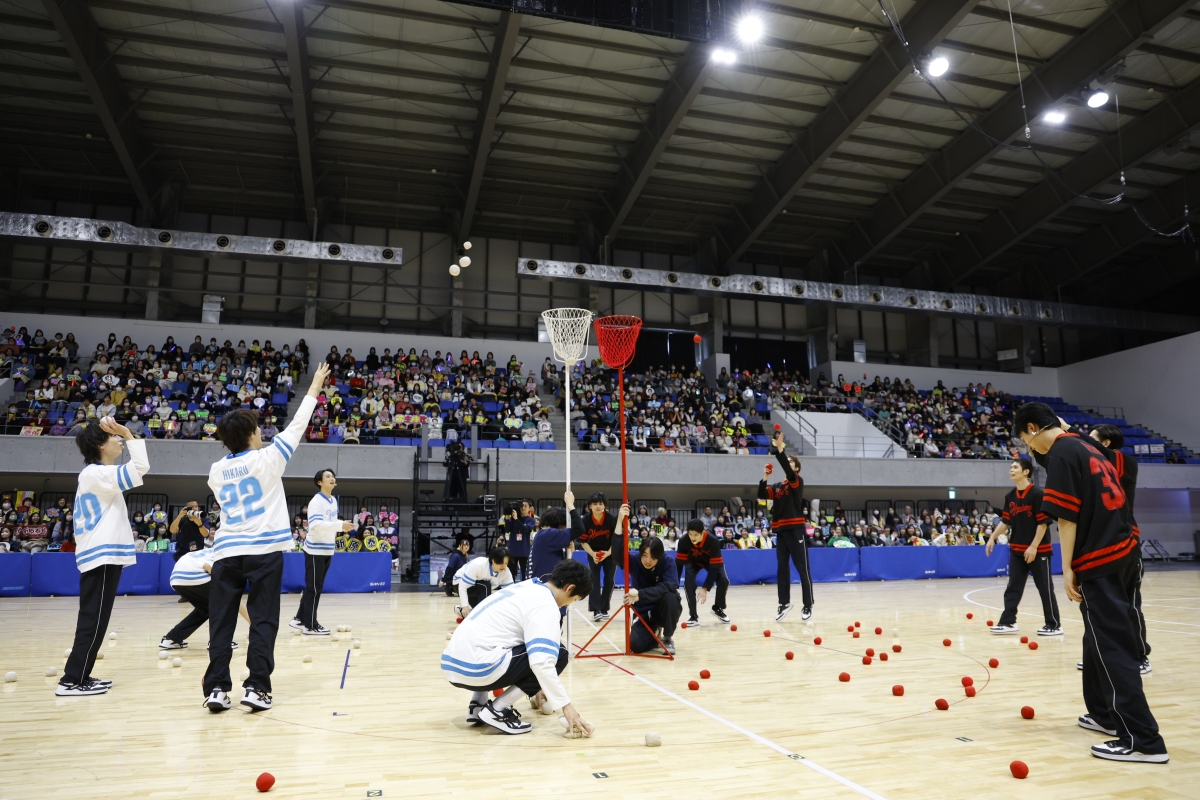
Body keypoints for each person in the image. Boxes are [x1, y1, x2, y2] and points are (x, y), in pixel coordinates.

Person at [1015, 402, 1167, 763]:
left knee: (1112, 646)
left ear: (1033, 428)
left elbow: (1066, 519)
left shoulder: (1063, 452)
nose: (1029, 449)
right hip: (1125, 550)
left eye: (1026, 440)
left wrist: (1068, 568)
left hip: (1100, 559)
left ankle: (1143, 740)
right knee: (1101, 641)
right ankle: (1107, 716)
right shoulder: (1086, 446)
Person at [201, 362, 330, 714]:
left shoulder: (215, 470)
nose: (262, 432)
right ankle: (257, 687)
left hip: (226, 552)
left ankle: (216, 689)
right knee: (263, 619)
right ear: (250, 434)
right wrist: (315, 387)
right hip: (264, 551)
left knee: (221, 622)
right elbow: (298, 424)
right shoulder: (269, 459)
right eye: (258, 428)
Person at [440, 558, 593, 736]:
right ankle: (498, 710)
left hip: (452, 665)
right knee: (559, 653)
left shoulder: (526, 586)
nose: (569, 604)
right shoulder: (546, 605)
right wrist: (567, 707)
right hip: (477, 668)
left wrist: (539, 685)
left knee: (501, 640)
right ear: (570, 589)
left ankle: (478, 704)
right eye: (573, 599)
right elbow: (541, 663)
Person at [57, 417, 151, 696]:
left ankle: (81, 676)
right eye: (113, 436)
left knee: (97, 619)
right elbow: (140, 467)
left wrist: (124, 434)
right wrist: (128, 433)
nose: (119, 439)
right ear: (100, 444)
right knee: (93, 619)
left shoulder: (98, 474)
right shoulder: (96, 473)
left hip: (102, 554)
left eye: (119, 436)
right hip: (101, 555)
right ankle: (71, 681)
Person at [1087, 423, 1151, 674]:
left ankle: (1140, 655)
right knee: (1102, 607)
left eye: (1092, 438)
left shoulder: (1125, 462)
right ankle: (1103, 657)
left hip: (1127, 542)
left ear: (1105, 443)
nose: (1086, 441)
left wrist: (1066, 428)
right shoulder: (1093, 467)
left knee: (1130, 605)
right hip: (1102, 545)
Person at [985, 458, 1061, 636]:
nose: (1011, 470)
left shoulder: (1037, 494)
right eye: (1011, 467)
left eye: (1015, 467)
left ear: (1026, 472)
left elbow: (1043, 523)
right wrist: (992, 538)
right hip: (1017, 550)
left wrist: (1033, 547)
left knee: (1045, 588)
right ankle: (1008, 622)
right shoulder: (1010, 496)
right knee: (1013, 587)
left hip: (1039, 551)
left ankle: (1054, 624)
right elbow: (1006, 521)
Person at [290, 469, 355, 636]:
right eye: (328, 476)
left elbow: (329, 523)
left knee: (315, 586)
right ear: (320, 482)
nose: (332, 478)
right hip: (314, 550)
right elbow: (316, 525)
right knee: (313, 588)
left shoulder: (333, 500)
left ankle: (299, 619)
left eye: (333, 476)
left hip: (327, 549)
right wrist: (340, 525)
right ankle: (310, 626)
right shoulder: (316, 502)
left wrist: (342, 525)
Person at [759, 431, 812, 621]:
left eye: (791, 462)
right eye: (787, 461)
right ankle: (784, 603)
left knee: (802, 568)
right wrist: (765, 477)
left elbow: (789, 473)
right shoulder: (777, 486)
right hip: (781, 530)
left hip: (796, 529)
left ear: (796, 468)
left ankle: (808, 605)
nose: (788, 464)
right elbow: (762, 494)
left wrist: (780, 450)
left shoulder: (797, 481)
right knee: (782, 568)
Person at [159, 548, 250, 650]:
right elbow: (207, 566)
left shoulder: (211, 551)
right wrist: (252, 624)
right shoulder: (226, 556)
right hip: (195, 575)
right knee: (225, 602)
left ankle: (172, 638)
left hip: (176, 579)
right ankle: (218, 642)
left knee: (204, 609)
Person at [570, 492, 628, 622]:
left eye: (600, 504)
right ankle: (596, 610)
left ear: (605, 506)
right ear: (589, 506)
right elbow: (583, 542)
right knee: (594, 580)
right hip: (593, 553)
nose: (598, 506)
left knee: (609, 580)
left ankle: (604, 608)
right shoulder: (585, 520)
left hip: (610, 553)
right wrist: (593, 554)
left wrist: (607, 553)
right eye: (595, 504)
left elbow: (616, 540)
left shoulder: (611, 519)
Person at [624, 535, 681, 655]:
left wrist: (641, 595)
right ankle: (655, 634)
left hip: (662, 609)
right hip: (643, 612)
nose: (648, 561)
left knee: (671, 597)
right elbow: (618, 554)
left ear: (660, 556)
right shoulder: (633, 561)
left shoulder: (668, 562)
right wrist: (619, 526)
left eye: (653, 557)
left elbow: (670, 586)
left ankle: (667, 639)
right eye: (645, 555)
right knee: (636, 645)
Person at [676, 518, 730, 627]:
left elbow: (714, 568)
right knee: (688, 583)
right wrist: (674, 584)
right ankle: (693, 616)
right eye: (690, 534)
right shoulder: (683, 541)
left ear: (702, 532)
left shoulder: (713, 541)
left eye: (696, 535)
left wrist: (705, 588)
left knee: (724, 581)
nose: (692, 538)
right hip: (692, 562)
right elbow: (679, 564)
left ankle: (717, 608)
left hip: (710, 563)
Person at [453, 546, 514, 617]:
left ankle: (461, 611)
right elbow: (462, 586)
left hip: (478, 587)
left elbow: (511, 592)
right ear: (493, 560)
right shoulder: (479, 565)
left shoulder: (506, 571)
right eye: (500, 563)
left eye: (506, 563)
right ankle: (483, 614)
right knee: (485, 587)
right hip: (459, 582)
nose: (503, 566)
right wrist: (464, 606)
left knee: (482, 611)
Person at [530, 501, 575, 580]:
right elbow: (578, 529)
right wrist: (571, 506)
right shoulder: (549, 534)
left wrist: (568, 551)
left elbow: (557, 562)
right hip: (544, 582)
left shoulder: (544, 535)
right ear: (560, 524)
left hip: (544, 580)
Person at [499, 500, 535, 581]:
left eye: (525, 506)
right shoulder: (513, 519)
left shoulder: (531, 520)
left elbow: (525, 529)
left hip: (524, 550)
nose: (523, 507)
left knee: (525, 573)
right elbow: (507, 530)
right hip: (513, 550)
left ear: (530, 508)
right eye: (522, 506)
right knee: (511, 573)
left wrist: (516, 519)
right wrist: (507, 518)